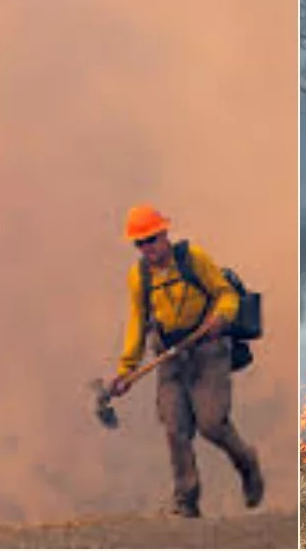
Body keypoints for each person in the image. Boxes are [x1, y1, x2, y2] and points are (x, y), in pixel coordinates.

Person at [108, 205, 263, 519]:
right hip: (171, 357)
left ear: (164, 235)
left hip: (208, 350)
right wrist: (126, 370)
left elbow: (226, 294)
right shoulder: (139, 278)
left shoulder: (193, 258)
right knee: (175, 427)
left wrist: (221, 317)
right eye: (140, 243)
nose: (148, 248)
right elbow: (138, 323)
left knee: (211, 424)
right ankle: (186, 500)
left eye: (151, 239)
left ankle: (247, 464)